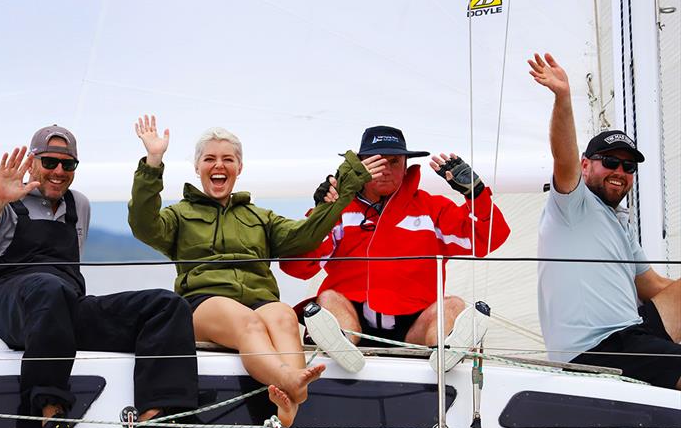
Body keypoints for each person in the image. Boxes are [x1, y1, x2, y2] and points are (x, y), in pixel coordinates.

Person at [128, 115, 381, 426]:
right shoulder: (179, 215)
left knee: (284, 316)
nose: (218, 165)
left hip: (259, 301)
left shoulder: (260, 217)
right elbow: (143, 224)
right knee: (248, 322)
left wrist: (342, 192)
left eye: (227, 159)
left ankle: (287, 407)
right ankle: (293, 384)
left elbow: (305, 236)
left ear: (239, 168)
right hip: (204, 303)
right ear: (197, 168)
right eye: (209, 159)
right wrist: (153, 162)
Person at [0, 125, 199, 428]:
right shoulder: (1, 198)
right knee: (48, 289)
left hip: (59, 306)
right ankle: (50, 411)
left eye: (68, 164)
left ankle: (157, 415)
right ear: (32, 162)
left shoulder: (80, 205)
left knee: (166, 305)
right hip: (2, 299)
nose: (59, 171)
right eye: (49, 162)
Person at [281, 125, 511, 372]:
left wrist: (476, 194)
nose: (386, 170)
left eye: (394, 161)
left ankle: (444, 351)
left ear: (405, 164)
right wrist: (322, 212)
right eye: (377, 161)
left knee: (453, 305)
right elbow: (297, 267)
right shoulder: (340, 212)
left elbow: (488, 240)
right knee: (328, 298)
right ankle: (341, 349)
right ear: (360, 165)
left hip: (416, 326)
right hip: (350, 320)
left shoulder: (432, 209)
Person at [528, 53, 680, 389]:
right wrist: (563, 98)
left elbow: (654, 287)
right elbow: (563, 155)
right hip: (594, 349)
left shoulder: (619, 222)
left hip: (632, 333)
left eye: (629, 168)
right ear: (585, 166)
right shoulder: (571, 202)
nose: (620, 172)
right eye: (610, 161)